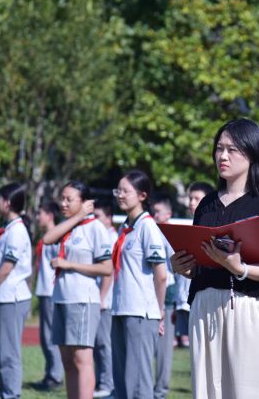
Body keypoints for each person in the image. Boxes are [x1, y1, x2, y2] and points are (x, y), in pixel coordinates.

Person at [171, 118, 259, 399]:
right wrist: (182, 267)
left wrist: (240, 268)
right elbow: (200, 262)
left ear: (252, 154)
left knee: (248, 391)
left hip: (248, 305)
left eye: (232, 150)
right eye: (219, 148)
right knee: (207, 391)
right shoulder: (206, 204)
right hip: (204, 305)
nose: (222, 156)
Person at [43, 181, 113, 399]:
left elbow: (106, 268)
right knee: (67, 360)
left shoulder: (95, 228)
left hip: (82, 301)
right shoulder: (70, 226)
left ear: (84, 202)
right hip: (62, 298)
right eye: (62, 198)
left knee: (82, 360)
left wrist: (69, 264)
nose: (63, 203)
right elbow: (47, 238)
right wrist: (77, 216)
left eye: (69, 199)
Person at [111, 170, 168, 399]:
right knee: (122, 380)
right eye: (118, 191)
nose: (120, 195)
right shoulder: (125, 227)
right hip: (120, 308)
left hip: (140, 312)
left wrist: (159, 310)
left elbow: (161, 275)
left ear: (142, 195)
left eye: (126, 191)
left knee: (137, 383)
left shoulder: (147, 227)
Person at [0, 183, 33, 399]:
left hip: (12, 297)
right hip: (5, 296)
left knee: (8, 353)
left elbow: (7, 267)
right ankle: (7, 394)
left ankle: (11, 395)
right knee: (1, 352)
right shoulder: (9, 228)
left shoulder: (17, 231)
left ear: (8, 203)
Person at [176, 182, 214, 349]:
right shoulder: (185, 228)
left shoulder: (213, 229)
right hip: (191, 297)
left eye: (197, 199)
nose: (191, 203)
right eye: (190, 198)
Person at [30, 200, 64, 391]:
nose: (37, 217)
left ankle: (55, 376)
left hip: (51, 292)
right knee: (45, 336)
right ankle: (50, 372)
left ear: (50, 215)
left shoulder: (56, 237)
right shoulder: (47, 237)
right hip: (44, 291)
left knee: (51, 335)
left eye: (40, 214)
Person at [152, 194, 177, 399]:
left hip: (166, 292)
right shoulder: (152, 230)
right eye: (153, 211)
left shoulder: (170, 234)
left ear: (168, 214)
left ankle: (160, 390)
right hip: (151, 291)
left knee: (163, 347)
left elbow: (175, 267)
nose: (155, 215)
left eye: (158, 212)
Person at [93, 202, 117, 398]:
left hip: (107, 300)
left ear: (109, 219)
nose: (95, 220)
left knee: (103, 343)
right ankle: (100, 381)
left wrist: (101, 298)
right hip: (99, 298)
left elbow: (110, 271)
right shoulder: (100, 235)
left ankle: (107, 383)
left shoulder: (111, 238)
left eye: (98, 216)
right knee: (96, 343)